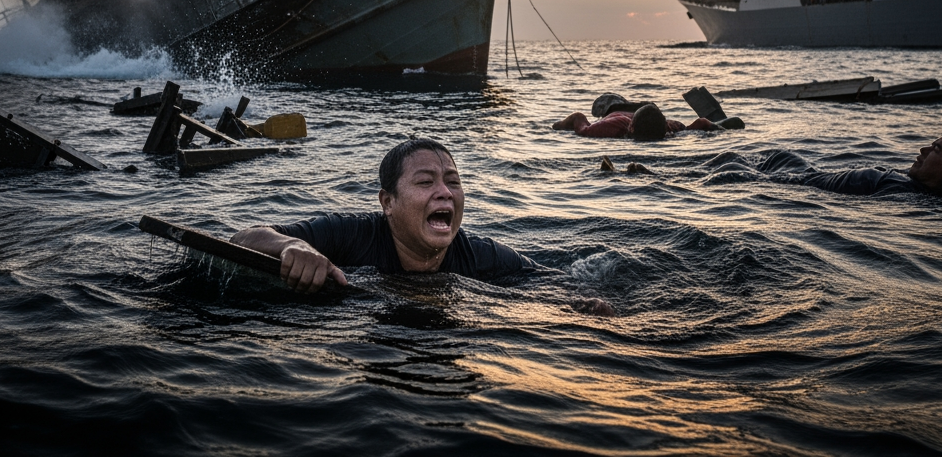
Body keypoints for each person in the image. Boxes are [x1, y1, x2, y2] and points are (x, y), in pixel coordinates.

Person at [230, 138, 616, 315]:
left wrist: (582, 304)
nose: (445, 192)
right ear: (388, 202)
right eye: (426, 182)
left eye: (453, 181)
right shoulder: (350, 233)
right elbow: (243, 237)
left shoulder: (482, 255)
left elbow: (546, 282)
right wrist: (294, 247)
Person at [784, 132, 942, 196]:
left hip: (792, 184)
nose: (923, 150)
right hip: (804, 175)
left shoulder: (899, 192)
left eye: (935, 149)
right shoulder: (909, 187)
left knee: (780, 155)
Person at [553, 102, 713, 140]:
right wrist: (557, 126)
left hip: (646, 114)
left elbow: (702, 122)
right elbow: (578, 117)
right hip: (616, 108)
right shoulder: (613, 126)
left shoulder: (671, 127)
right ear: (631, 128)